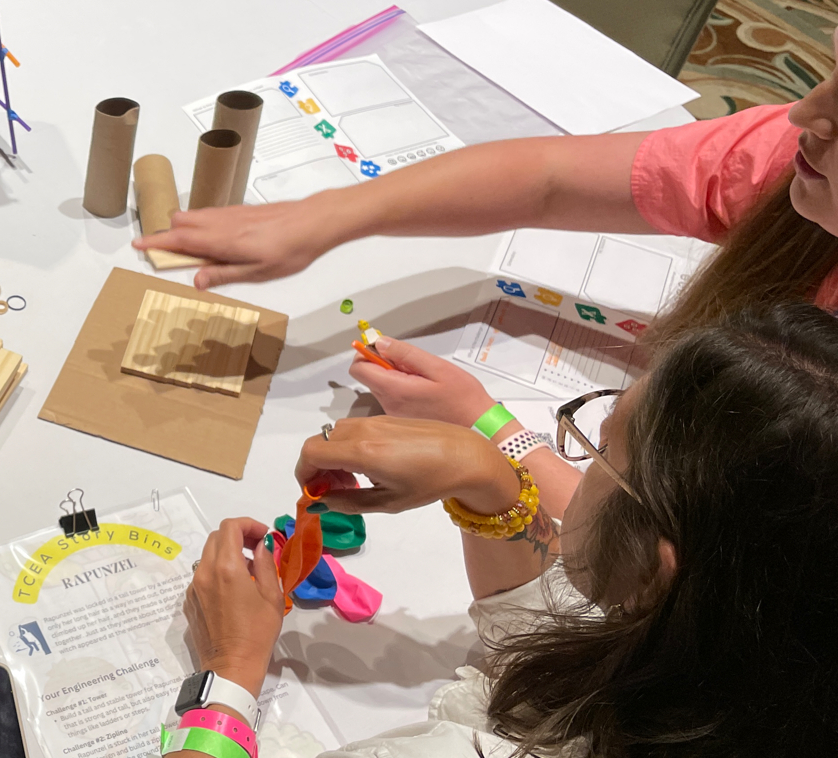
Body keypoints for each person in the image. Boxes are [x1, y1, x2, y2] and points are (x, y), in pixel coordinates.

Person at [91, 301, 838, 758]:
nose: (573, 457)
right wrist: (493, 484)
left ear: (656, 566)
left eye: (601, 449)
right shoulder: (775, 702)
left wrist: (225, 678)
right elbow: (607, 641)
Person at [139, 31, 838, 516]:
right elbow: (550, 178)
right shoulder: (792, 158)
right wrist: (330, 215)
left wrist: (489, 435)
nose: (805, 112)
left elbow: (663, 565)